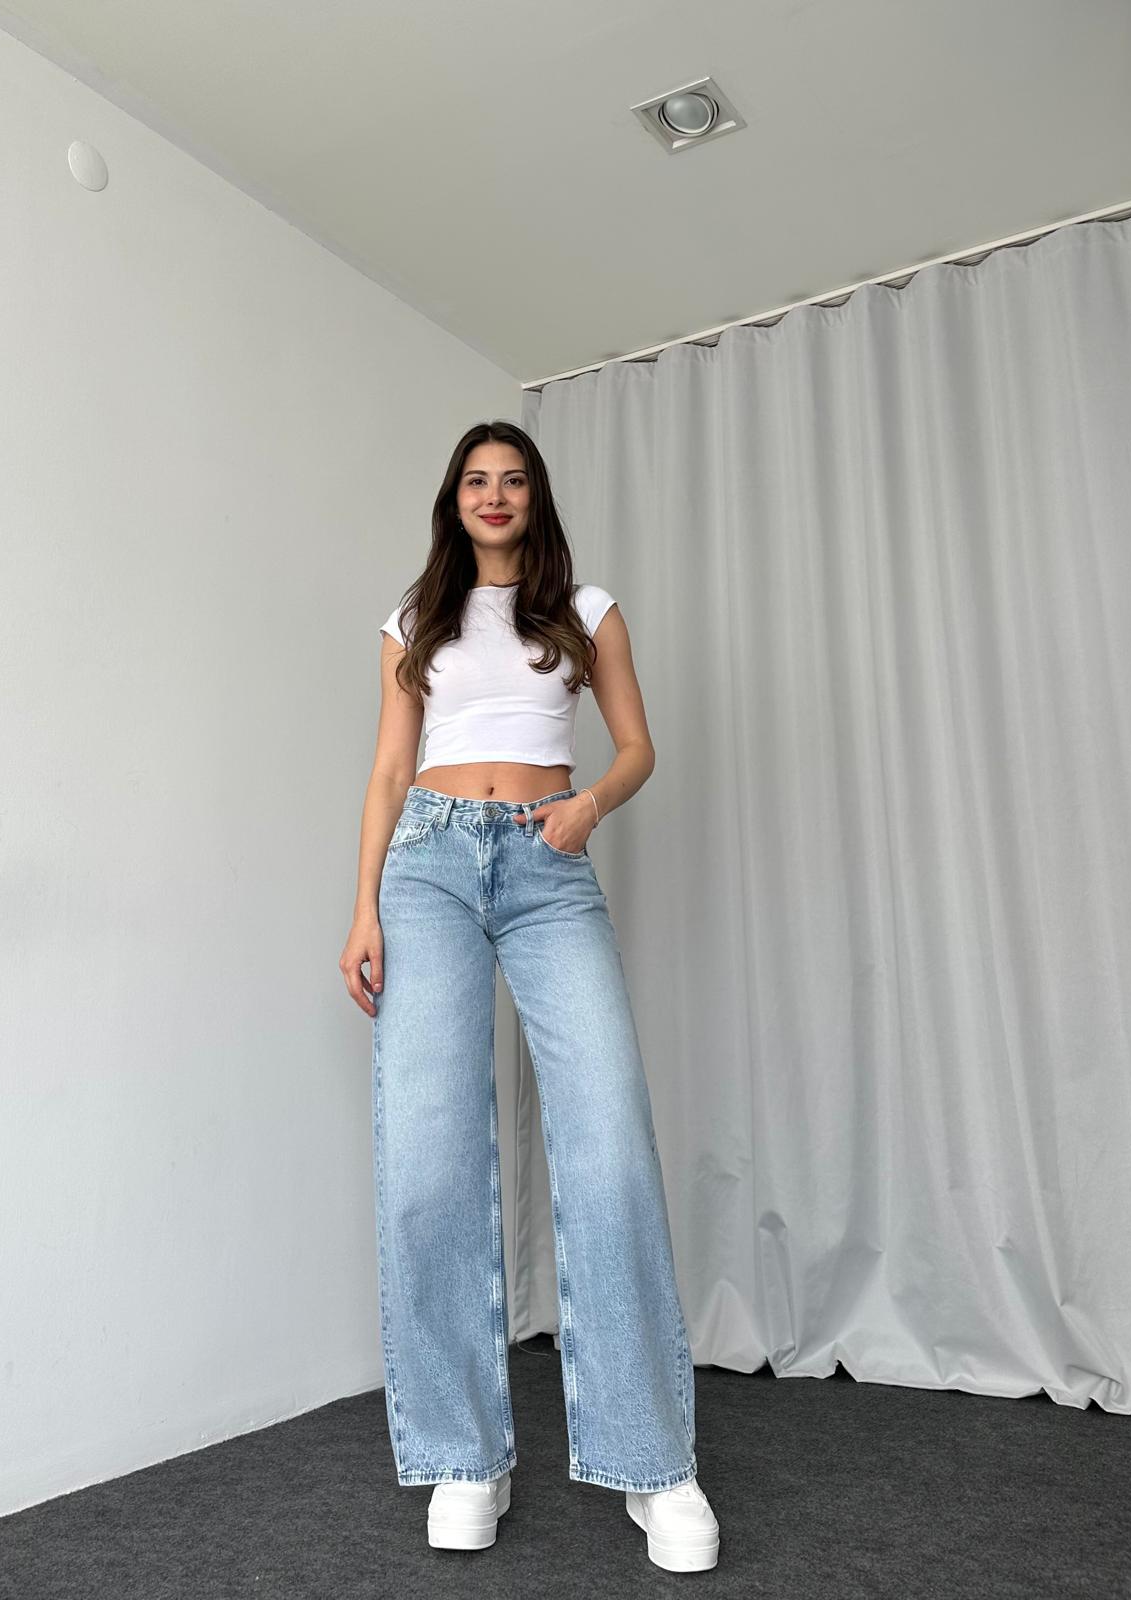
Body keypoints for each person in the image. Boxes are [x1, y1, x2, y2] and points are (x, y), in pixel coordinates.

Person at [339, 420, 720, 1573]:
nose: (493, 494)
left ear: (533, 496)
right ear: (453, 499)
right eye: (475, 480)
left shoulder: (584, 611)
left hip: (548, 864)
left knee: (608, 1143)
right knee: (427, 1156)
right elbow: (390, 769)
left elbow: (636, 746)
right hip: (426, 869)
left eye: (511, 479)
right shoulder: (415, 620)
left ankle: (652, 1459)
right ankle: (465, 1453)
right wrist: (362, 907)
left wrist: (586, 806)